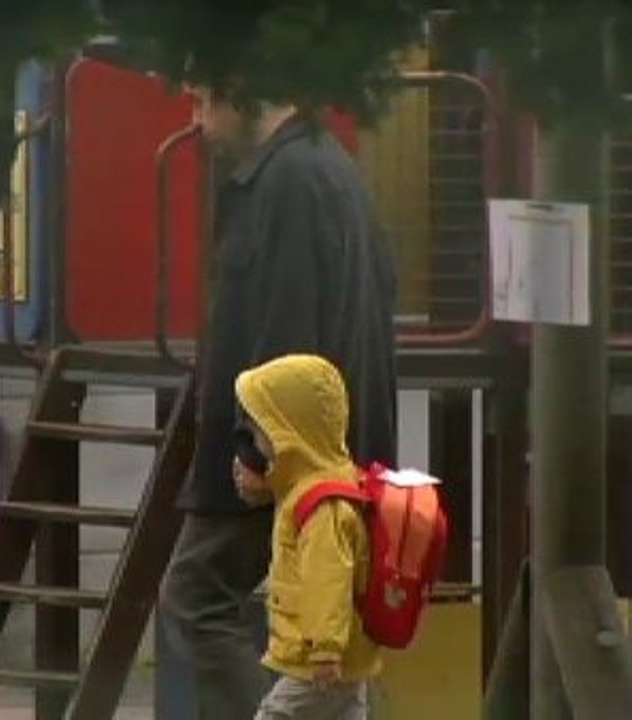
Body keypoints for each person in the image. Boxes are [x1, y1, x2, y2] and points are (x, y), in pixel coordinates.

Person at [158, 85, 397, 720]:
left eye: (204, 101)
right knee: (328, 616)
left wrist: (259, 450)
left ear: (243, 94)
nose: (196, 121)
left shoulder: (286, 184)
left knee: (198, 594)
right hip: (325, 444)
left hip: (287, 450)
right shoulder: (329, 169)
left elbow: (282, 325)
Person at [233, 353, 380, 720]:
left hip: (316, 658)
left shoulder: (322, 506)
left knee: (276, 715)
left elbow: (328, 580)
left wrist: (325, 649)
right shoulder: (322, 483)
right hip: (337, 656)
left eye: (261, 430)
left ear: (290, 434)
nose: (254, 439)